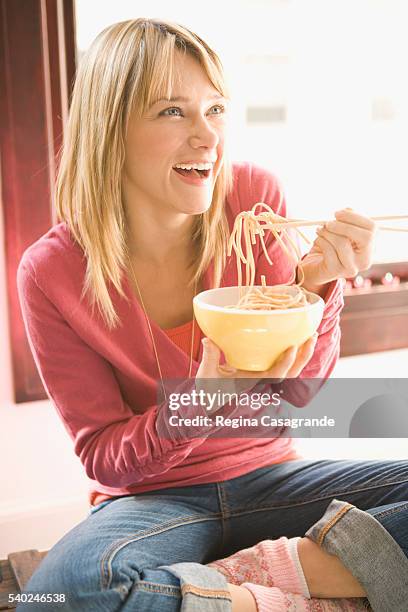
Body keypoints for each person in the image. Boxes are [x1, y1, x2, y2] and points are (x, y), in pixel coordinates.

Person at [16, 18, 408, 612]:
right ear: (110, 128)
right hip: (153, 503)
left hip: (269, 476)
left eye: (216, 109)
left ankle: (255, 576)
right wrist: (202, 397)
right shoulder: (51, 270)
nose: (209, 137)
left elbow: (299, 389)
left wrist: (317, 291)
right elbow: (101, 452)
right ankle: (292, 596)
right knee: (62, 590)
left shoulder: (252, 198)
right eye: (173, 111)